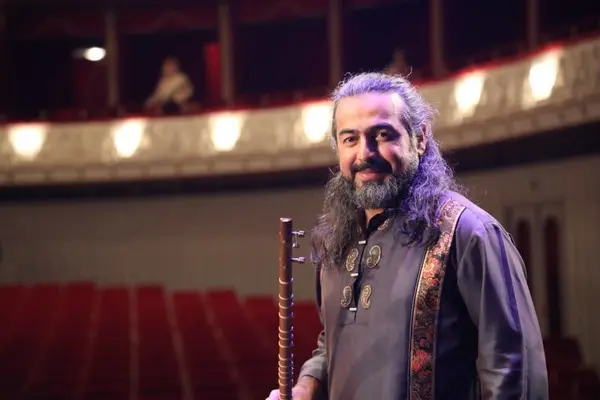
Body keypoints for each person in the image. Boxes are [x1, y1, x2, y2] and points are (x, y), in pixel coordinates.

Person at [267, 72, 548, 399]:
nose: (364, 154)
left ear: (420, 138)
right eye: (350, 139)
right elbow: (333, 343)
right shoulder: (337, 239)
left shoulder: (469, 233)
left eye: (382, 135)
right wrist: (307, 385)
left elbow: (513, 370)